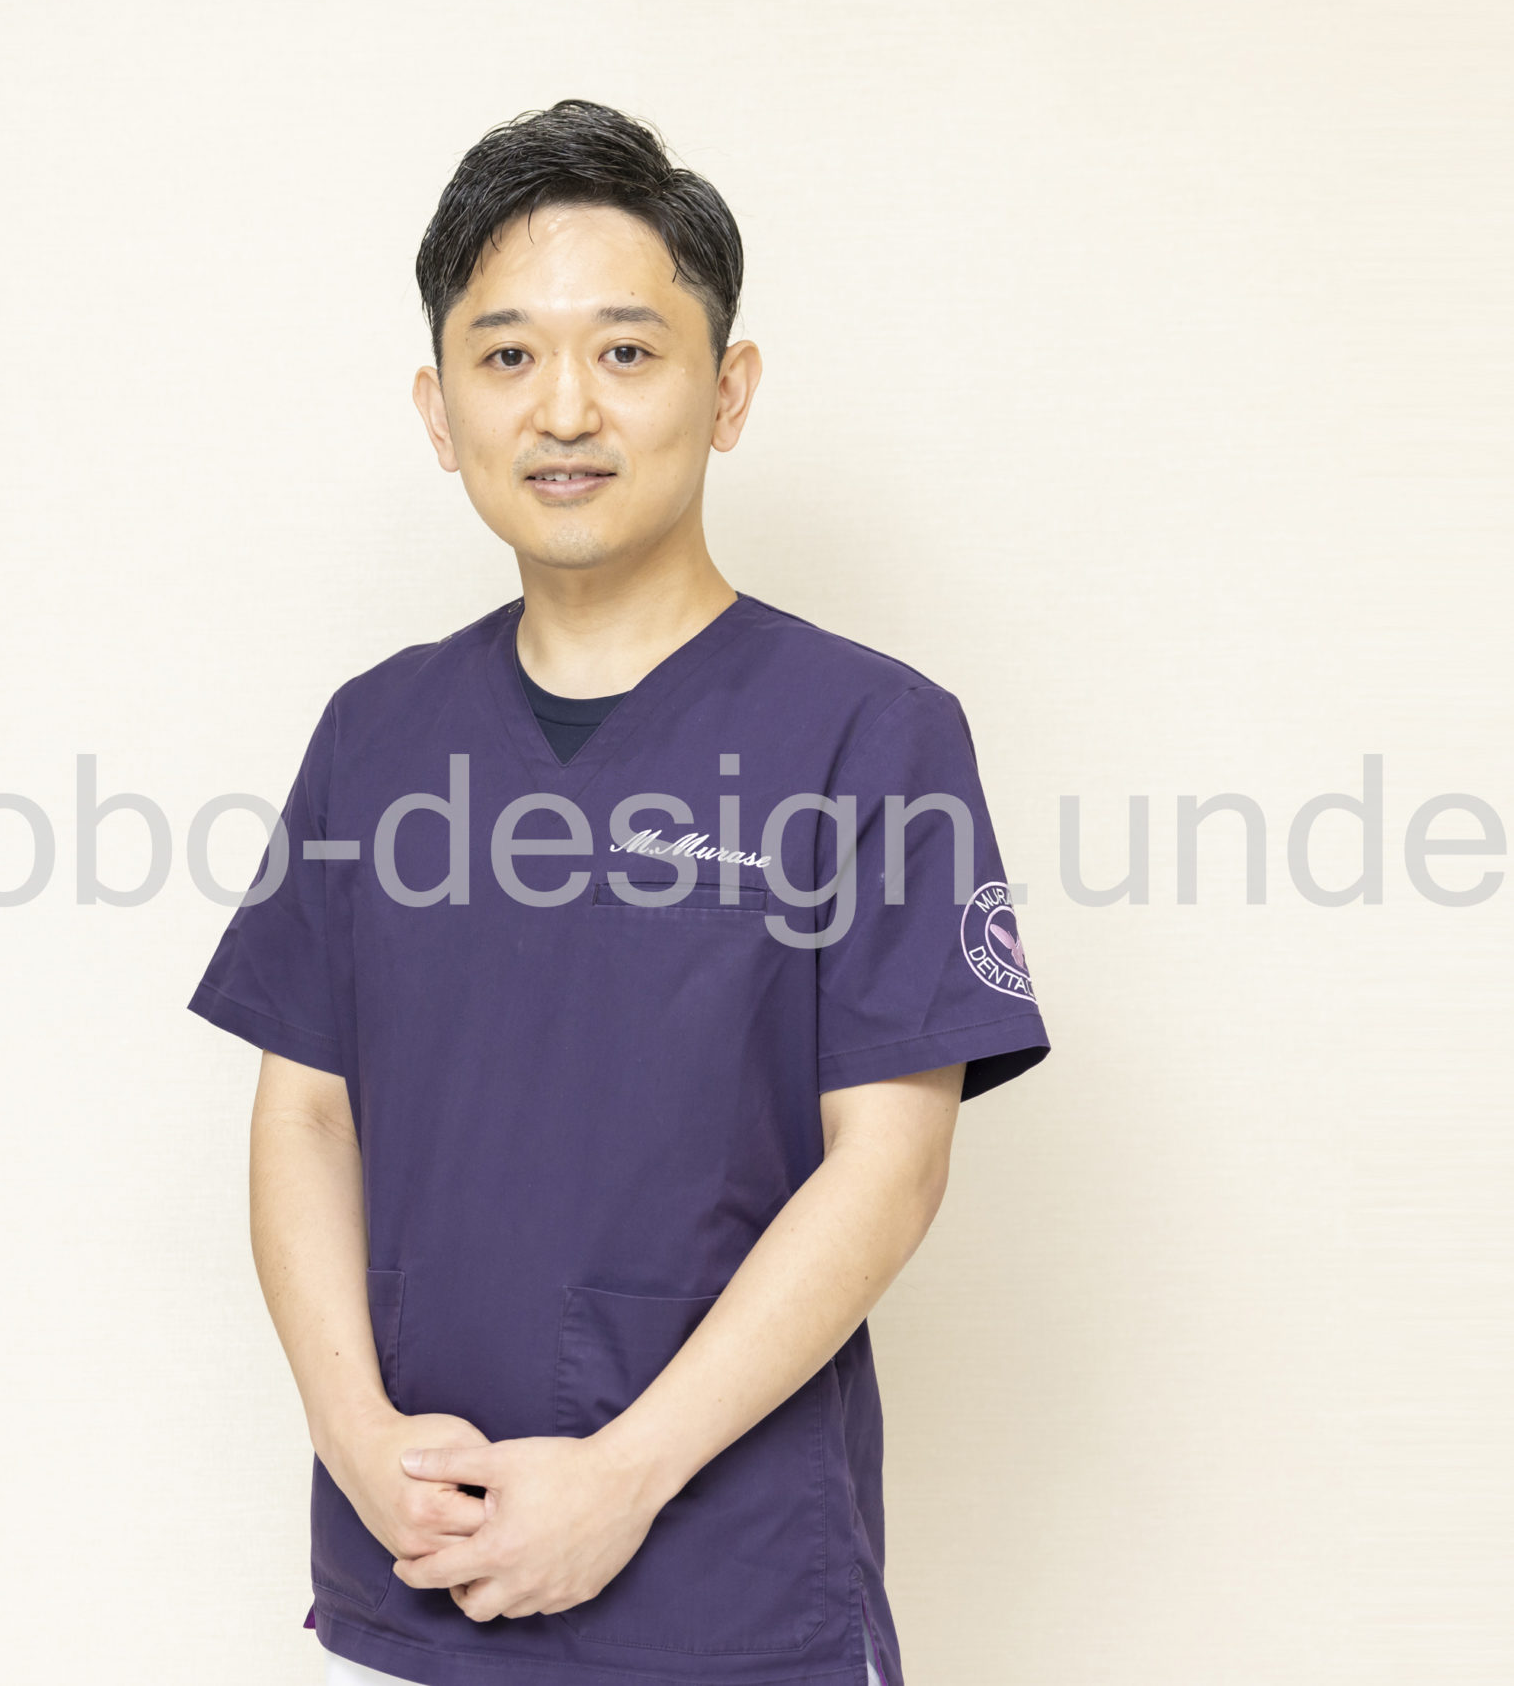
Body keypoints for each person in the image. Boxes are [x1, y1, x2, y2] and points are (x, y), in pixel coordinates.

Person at [189, 99, 1051, 1686]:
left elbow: (891, 1163)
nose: (565, 407)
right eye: (507, 354)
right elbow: (303, 1113)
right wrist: (357, 1435)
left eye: (628, 352)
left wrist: (624, 1478)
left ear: (728, 391)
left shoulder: (869, 733)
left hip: (730, 1596)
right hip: (420, 1571)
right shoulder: (377, 736)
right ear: (439, 408)